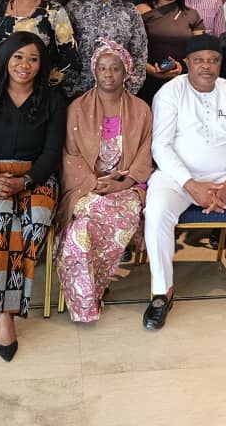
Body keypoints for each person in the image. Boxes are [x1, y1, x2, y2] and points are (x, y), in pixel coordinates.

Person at [142, 35, 226, 330]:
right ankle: (162, 292)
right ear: (187, 63)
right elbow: (160, 147)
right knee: (156, 211)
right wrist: (191, 184)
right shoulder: (169, 92)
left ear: (220, 63)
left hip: (225, 176)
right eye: (199, 60)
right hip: (177, 178)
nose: (206, 66)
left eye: (213, 60)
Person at [0, 32, 67, 361]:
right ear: (6, 58)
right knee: (3, 221)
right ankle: (6, 315)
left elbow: (51, 153)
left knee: (35, 223)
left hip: (36, 177)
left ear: (41, 65)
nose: (25, 65)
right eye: (18, 57)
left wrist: (25, 180)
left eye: (33, 59)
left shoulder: (53, 100)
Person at [56, 40, 154, 322]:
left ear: (127, 72)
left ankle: (95, 288)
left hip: (126, 187)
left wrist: (122, 184)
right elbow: (70, 154)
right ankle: (85, 302)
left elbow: (145, 152)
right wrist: (92, 183)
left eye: (115, 68)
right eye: (102, 68)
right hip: (87, 187)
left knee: (113, 218)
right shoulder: (77, 108)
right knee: (80, 230)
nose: (108, 74)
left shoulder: (141, 110)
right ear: (94, 71)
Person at [66, 0, 148, 97]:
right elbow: (65, 53)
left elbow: (139, 54)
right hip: (80, 93)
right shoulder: (74, 8)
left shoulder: (130, 11)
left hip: (120, 94)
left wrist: (128, 90)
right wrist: (74, 91)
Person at [136, 0, 205, 103]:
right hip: (146, 81)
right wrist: (150, 70)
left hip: (182, 83)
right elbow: (130, 50)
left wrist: (181, 67)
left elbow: (201, 51)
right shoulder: (140, 11)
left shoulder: (192, 15)